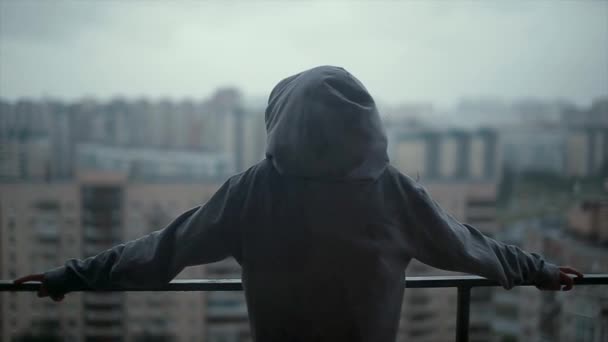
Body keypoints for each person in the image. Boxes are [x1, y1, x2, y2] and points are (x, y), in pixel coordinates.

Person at [15, 65, 582, 342]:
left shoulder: (253, 192)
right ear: (366, 126)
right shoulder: (393, 193)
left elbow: (164, 249)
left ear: (281, 120)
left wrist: (72, 275)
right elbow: (471, 246)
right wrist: (541, 270)